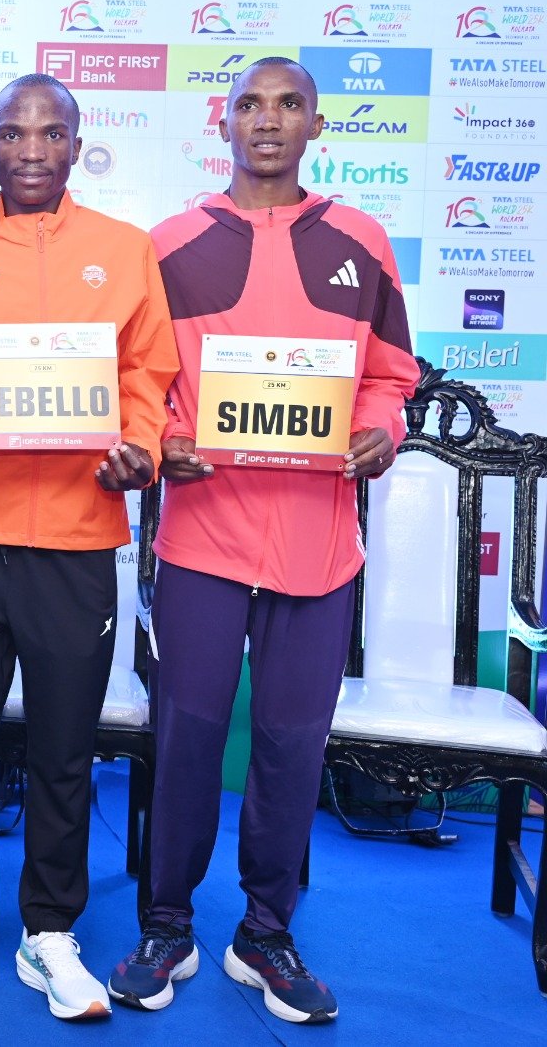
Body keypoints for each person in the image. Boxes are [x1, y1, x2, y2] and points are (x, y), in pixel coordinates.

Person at [107, 57, 418, 1024]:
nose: (268, 121)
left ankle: (266, 933)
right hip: (203, 536)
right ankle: (167, 926)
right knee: (188, 736)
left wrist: (383, 431)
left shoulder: (362, 242)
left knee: (291, 742)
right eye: (250, 104)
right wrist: (162, 440)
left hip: (319, 545)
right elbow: (137, 378)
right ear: (225, 121)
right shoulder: (170, 244)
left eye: (288, 105)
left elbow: (392, 373)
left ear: (317, 125)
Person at [0, 73, 179, 1019]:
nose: (30, 148)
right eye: (12, 133)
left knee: (65, 747)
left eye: (49, 132)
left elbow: (148, 373)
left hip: (78, 535)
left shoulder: (124, 250)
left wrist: (137, 451)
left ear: (75, 145)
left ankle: (50, 931)